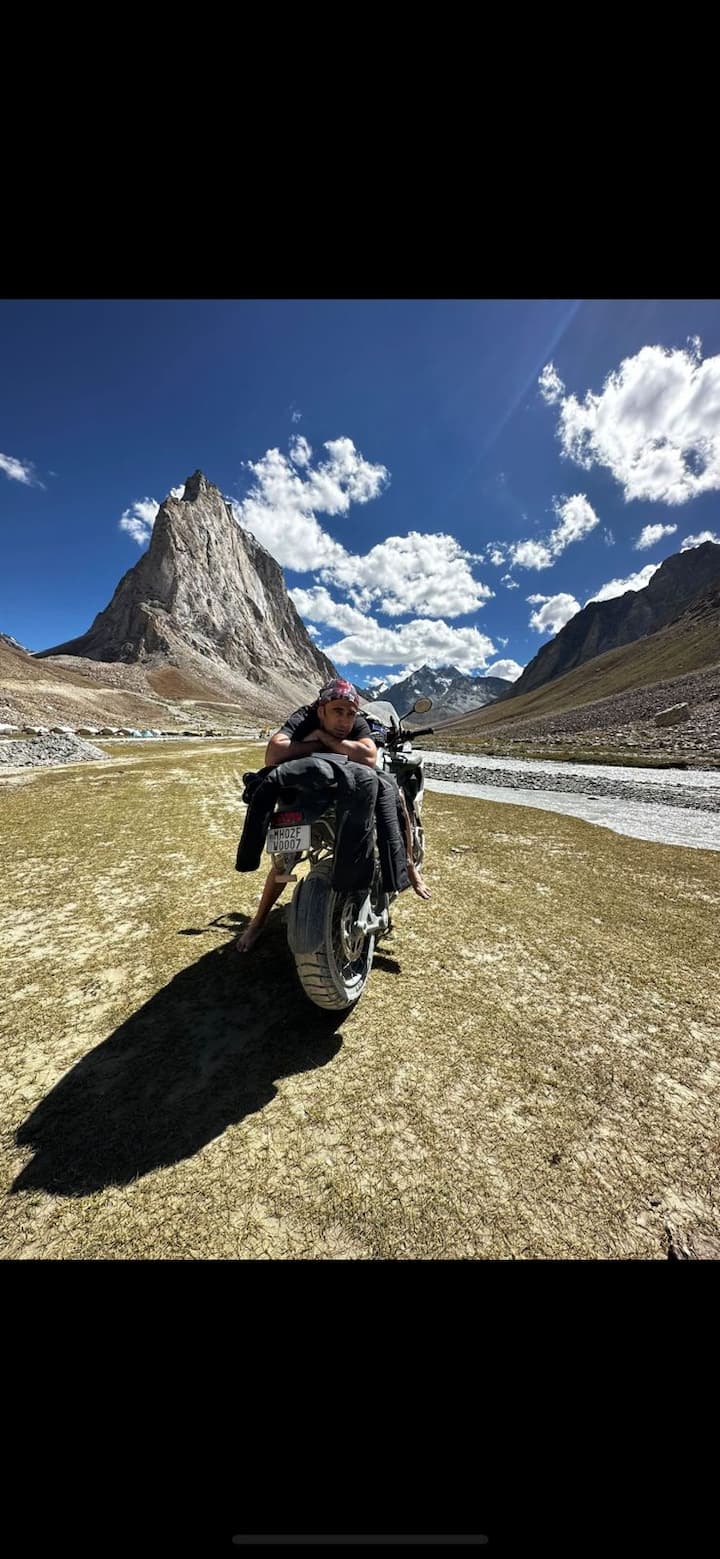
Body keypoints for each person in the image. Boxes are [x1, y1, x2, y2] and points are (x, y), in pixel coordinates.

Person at [235, 677, 430, 952]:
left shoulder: (356, 720)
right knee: (282, 865)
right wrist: (323, 746)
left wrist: (323, 740)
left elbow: (369, 756)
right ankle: (258, 922)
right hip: (307, 797)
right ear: (321, 710)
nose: (345, 720)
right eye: (338, 711)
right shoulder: (303, 716)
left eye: (350, 713)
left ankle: (408, 866)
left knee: (391, 796)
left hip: (339, 792)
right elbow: (273, 753)